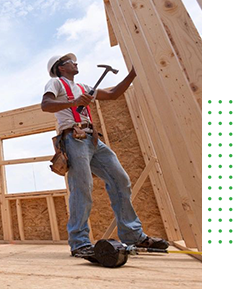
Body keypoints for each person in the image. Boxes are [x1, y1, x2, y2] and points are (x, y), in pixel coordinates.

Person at [41, 53, 168, 258]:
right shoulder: (55, 83)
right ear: (61, 68)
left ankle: (133, 235)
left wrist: (133, 73)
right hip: (73, 138)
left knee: (121, 180)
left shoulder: (83, 87)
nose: (76, 63)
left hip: (93, 139)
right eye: (71, 62)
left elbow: (113, 94)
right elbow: (45, 106)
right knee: (82, 187)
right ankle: (80, 243)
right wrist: (73, 102)